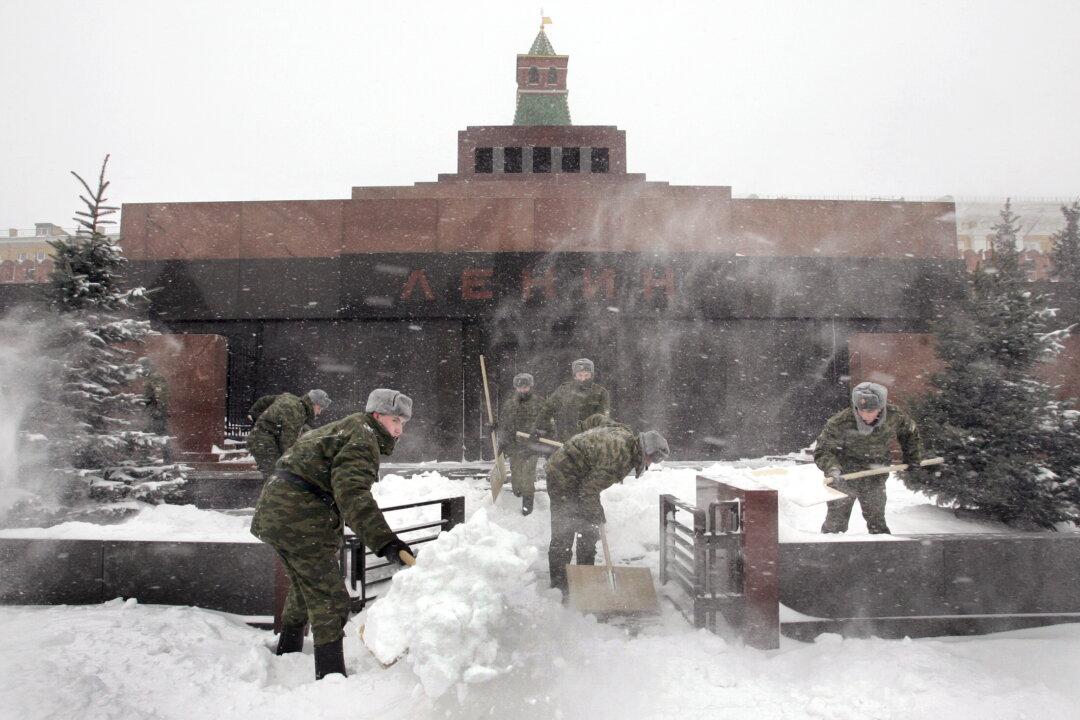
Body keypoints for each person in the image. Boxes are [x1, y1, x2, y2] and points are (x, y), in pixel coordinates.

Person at [250, 388, 414, 680]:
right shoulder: (363, 438)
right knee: (330, 598)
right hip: (298, 518)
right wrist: (387, 542)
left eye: (403, 422)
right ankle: (330, 676)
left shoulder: (352, 427)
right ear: (377, 416)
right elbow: (352, 495)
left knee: (304, 587)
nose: (399, 429)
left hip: (280, 512)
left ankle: (288, 652)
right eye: (395, 420)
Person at [545, 424, 669, 598]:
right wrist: (597, 515)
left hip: (578, 475)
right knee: (564, 531)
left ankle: (585, 579)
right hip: (562, 475)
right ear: (646, 453)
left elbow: (596, 419)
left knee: (588, 530)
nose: (650, 464)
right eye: (653, 460)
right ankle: (559, 589)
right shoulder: (620, 459)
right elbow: (588, 491)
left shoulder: (625, 434)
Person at [813, 381, 922, 535]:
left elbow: (910, 433)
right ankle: (826, 554)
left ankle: (883, 554)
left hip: (875, 475)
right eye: (861, 410)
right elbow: (823, 450)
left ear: (881, 407)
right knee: (835, 525)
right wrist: (833, 469)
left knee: (877, 523)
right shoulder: (840, 422)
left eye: (871, 410)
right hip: (844, 476)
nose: (865, 415)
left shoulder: (894, 416)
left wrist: (912, 458)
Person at [246, 389, 330, 479]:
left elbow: (264, 400)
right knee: (277, 477)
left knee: (279, 475)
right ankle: (274, 491)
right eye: (319, 408)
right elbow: (287, 445)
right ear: (313, 403)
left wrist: (254, 416)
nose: (319, 412)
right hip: (263, 443)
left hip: (263, 439)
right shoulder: (296, 413)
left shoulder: (290, 398)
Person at [496, 373, 548, 515]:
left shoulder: (539, 403)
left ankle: (527, 506)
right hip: (514, 447)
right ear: (515, 387)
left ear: (530, 386)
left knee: (527, 476)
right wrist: (502, 444)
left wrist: (540, 432)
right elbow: (505, 426)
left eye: (525, 387)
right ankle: (516, 501)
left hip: (531, 447)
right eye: (519, 388)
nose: (522, 390)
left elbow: (548, 423)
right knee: (516, 476)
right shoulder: (510, 404)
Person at [531, 358, 611, 443]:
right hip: (564, 439)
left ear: (592, 375)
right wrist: (538, 428)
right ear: (575, 375)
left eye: (586, 375)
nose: (583, 379)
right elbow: (547, 409)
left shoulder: (601, 393)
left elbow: (602, 418)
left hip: (589, 441)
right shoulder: (563, 390)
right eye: (580, 375)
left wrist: (596, 437)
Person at [140, 358, 171, 461]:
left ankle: (167, 461)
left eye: (142, 367)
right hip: (150, 410)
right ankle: (145, 459)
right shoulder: (150, 377)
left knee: (161, 435)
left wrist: (159, 409)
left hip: (155, 410)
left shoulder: (155, 377)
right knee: (146, 434)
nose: (141, 370)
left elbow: (160, 395)